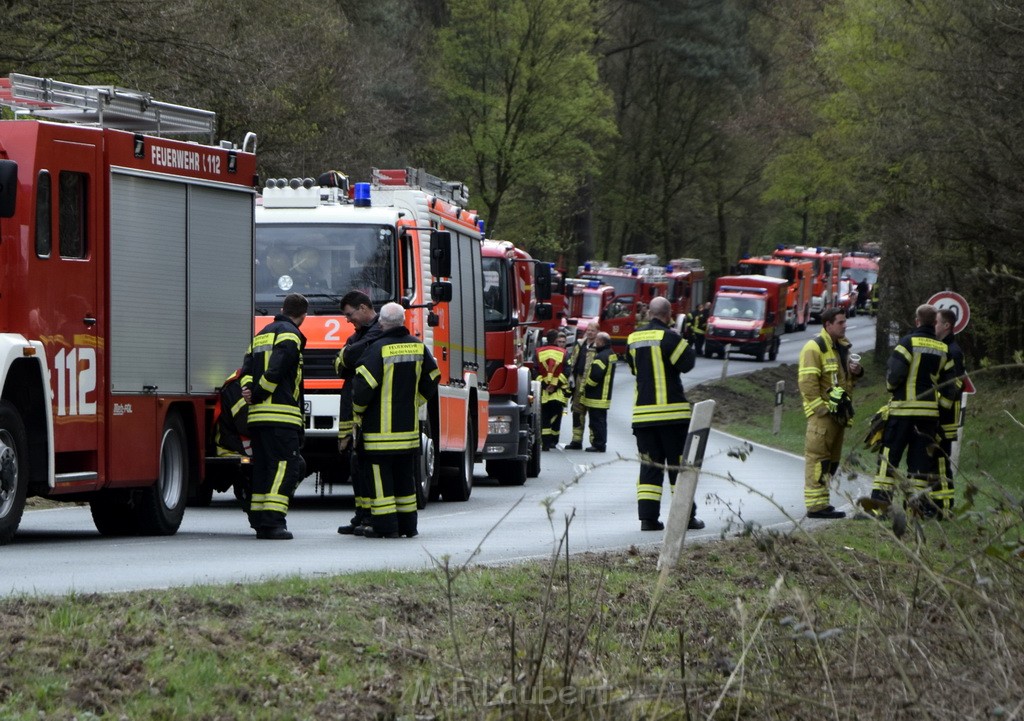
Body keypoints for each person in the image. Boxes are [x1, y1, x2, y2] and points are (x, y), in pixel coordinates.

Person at [351, 302, 440, 538]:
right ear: (403, 322)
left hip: (379, 434)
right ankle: (408, 526)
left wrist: (358, 411)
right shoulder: (419, 347)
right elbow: (433, 377)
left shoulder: (377, 348)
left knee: (381, 482)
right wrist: (417, 400)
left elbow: (363, 388)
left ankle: (386, 527)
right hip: (408, 433)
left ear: (381, 323)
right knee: (405, 481)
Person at [866, 304, 956, 517]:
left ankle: (880, 509)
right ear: (934, 323)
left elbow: (894, 375)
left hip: (902, 414)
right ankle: (914, 511)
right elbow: (951, 389)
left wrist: (891, 388)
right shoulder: (944, 350)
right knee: (919, 467)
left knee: (888, 461)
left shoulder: (907, 343)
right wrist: (939, 410)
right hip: (927, 420)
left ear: (917, 321)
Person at [625, 296, 704, 532]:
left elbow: (633, 368)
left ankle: (648, 520)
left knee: (650, 466)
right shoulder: (670, 337)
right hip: (672, 417)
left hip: (643, 418)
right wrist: (682, 338)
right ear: (668, 315)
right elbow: (687, 363)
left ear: (649, 313)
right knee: (678, 467)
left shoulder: (632, 339)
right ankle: (685, 517)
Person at [240, 293, 308, 540]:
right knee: (285, 467)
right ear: (303, 316)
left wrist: (248, 392)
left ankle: (259, 520)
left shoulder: (261, 335)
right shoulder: (291, 335)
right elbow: (276, 371)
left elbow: (246, 370)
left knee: (262, 469)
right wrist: (258, 393)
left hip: (257, 418)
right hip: (281, 417)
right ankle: (273, 522)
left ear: (282, 308)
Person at [798, 308, 864, 519]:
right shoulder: (814, 347)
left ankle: (822, 502)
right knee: (818, 460)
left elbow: (843, 381)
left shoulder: (841, 348)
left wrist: (857, 373)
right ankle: (816, 507)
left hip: (838, 416)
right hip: (823, 416)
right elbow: (807, 383)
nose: (845, 326)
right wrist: (821, 409)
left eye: (845, 322)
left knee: (831, 462)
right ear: (828, 325)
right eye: (840, 322)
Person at [334, 291, 382, 536]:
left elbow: (351, 356)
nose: (348, 320)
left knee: (367, 464)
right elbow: (340, 365)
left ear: (363, 308)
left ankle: (372, 515)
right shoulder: (360, 335)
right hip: (354, 409)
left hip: (370, 411)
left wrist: (349, 353)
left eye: (349, 314)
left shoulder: (379, 330)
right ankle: (362, 514)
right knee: (356, 464)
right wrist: (348, 354)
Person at [934, 307, 965, 516]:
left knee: (941, 461)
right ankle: (938, 503)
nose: (933, 325)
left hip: (946, 417)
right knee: (936, 460)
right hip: (941, 415)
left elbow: (954, 386)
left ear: (946, 325)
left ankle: (945, 505)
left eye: (936, 322)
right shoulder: (943, 347)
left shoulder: (952, 351)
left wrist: (940, 408)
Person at [535, 329, 570, 451]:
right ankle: (553, 441)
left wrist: (545, 385)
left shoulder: (538, 352)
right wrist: (555, 385)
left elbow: (535, 371)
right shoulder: (564, 353)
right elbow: (566, 372)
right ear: (556, 339)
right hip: (557, 392)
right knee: (556, 415)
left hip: (543, 392)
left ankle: (545, 444)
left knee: (544, 418)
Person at [565, 324, 599, 450]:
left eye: (593, 331)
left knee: (593, 414)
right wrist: (571, 377)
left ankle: (595, 443)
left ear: (597, 332)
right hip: (578, 379)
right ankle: (576, 440)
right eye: (588, 330)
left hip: (591, 383)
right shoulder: (580, 344)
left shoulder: (598, 346)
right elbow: (573, 359)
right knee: (577, 412)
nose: (590, 333)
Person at [581, 331, 616, 452]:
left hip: (597, 396)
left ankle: (598, 444)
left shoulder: (601, 357)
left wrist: (586, 387)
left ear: (601, 342)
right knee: (601, 421)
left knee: (596, 422)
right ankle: (600, 443)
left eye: (597, 341)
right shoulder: (610, 354)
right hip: (604, 395)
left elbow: (595, 376)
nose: (595, 343)